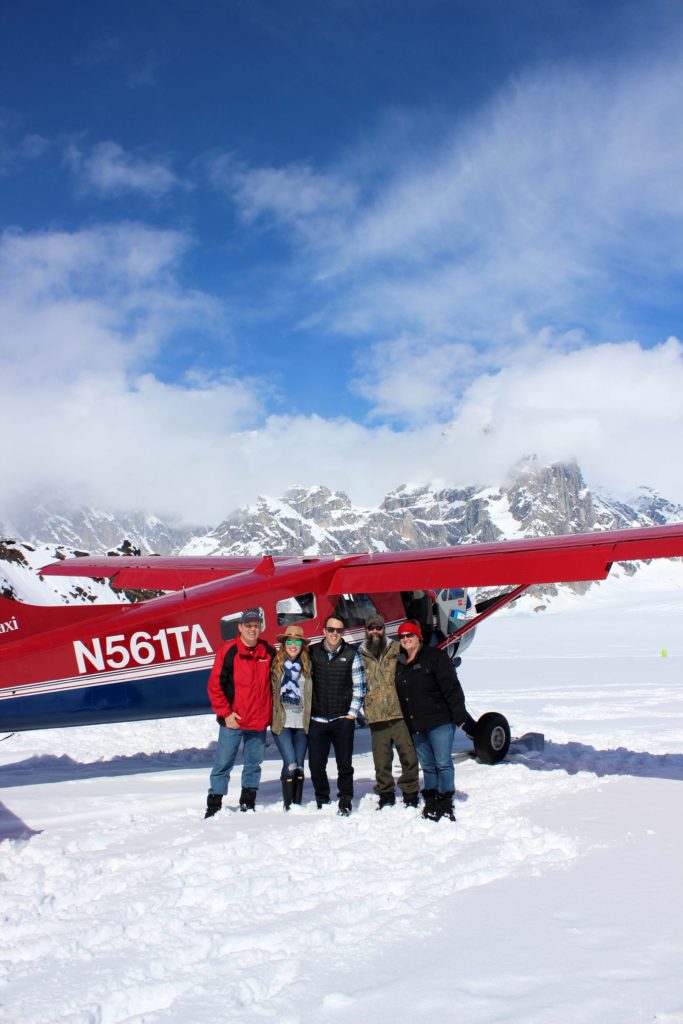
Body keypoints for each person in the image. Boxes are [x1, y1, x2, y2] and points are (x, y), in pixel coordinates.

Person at [394, 619, 467, 822]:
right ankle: (432, 799)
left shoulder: (435, 657)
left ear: (419, 636)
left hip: (439, 721)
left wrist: (460, 716)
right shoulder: (400, 664)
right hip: (417, 724)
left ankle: (445, 801)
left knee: (442, 762)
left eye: (410, 635)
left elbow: (451, 687)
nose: (406, 639)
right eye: (402, 636)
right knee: (427, 765)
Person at [204, 608, 274, 818]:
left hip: (258, 720)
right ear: (240, 628)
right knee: (223, 763)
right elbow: (215, 686)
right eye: (248, 626)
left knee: (254, 764)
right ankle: (214, 804)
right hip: (234, 720)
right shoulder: (228, 651)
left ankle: (248, 801)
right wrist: (226, 714)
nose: (253, 630)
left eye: (256, 626)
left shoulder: (268, 652)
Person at [307, 613, 366, 816]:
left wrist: (352, 713)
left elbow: (359, 686)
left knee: (344, 764)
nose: (334, 633)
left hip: (342, 719)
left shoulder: (352, 653)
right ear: (324, 631)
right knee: (316, 764)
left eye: (338, 630)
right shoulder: (311, 652)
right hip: (317, 719)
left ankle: (346, 799)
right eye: (331, 629)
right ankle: (322, 797)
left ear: (343, 632)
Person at [359, 614, 419, 809]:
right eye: (371, 628)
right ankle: (386, 793)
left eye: (378, 627)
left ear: (384, 629)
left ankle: (410, 792)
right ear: (366, 631)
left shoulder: (396, 648)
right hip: (376, 716)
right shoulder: (360, 655)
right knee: (381, 760)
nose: (375, 631)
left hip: (399, 712)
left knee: (408, 756)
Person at [270, 624, 312, 809]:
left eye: (297, 641)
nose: (293, 645)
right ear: (284, 643)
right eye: (289, 641)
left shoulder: (308, 666)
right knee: (290, 763)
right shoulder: (276, 665)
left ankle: (297, 802)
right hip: (283, 722)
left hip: (302, 722)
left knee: (300, 765)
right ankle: (289, 806)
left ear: (302, 645)